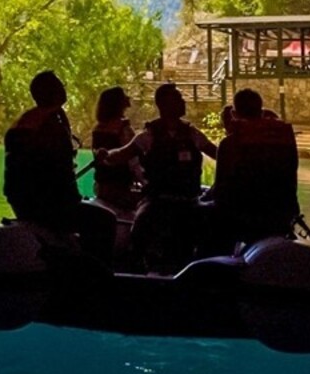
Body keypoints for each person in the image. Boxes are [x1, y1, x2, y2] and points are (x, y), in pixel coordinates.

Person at [98, 83, 218, 270]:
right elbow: (122, 154)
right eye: (177, 98)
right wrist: (106, 156)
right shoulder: (148, 136)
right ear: (163, 104)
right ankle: (135, 267)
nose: (182, 101)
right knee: (140, 229)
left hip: (190, 201)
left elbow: (218, 153)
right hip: (158, 201)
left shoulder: (193, 134)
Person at [3, 71, 116, 265]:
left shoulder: (24, 121)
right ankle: (96, 273)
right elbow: (59, 173)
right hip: (47, 207)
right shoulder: (51, 126)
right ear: (53, 92)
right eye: (60, 84)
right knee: (105, 221)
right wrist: (72, 200)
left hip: (22, 203)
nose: (64, 87)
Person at [207, 87, 299, 251]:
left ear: (234, 114)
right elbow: (292, 174)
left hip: (242, 217)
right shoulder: (284, 140)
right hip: (281, 213)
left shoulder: (229, 143)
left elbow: (221, 188)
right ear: (261, 111)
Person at [91, 86, 139, 211]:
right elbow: (133, 159)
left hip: (102, 185)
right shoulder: (123, 129)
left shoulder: (98, 129)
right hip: (120, 186)